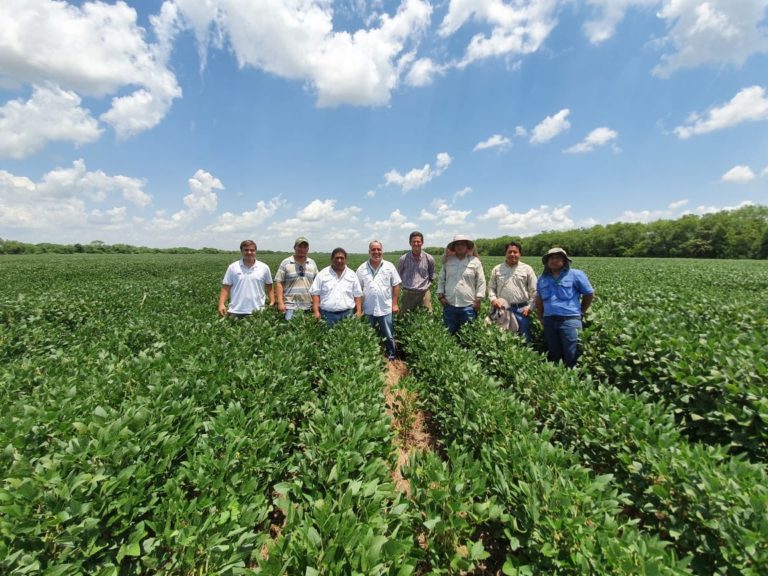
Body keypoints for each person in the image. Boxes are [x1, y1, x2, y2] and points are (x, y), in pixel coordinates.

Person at [535, 247, 594, 368]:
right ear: (547, 261)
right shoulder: (542, 278)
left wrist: (581, 311)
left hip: (570, 320)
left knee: (572, 354)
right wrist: (540, 316)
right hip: (549, 321)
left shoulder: (576, 275)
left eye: (558, 258)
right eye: (551, 258)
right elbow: (539, 298)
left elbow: (589, 293)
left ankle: (574, 379)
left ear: (565, 261)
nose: (554, 260)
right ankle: (559, 380)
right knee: (554, 353)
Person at [357, 240, 402, 360]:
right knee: (367, 333)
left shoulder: (389, 266)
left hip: (385, 307)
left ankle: (392, 355)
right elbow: (357, 290)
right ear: (369, 252)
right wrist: (359, 308)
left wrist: (395, 304)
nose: (376, 252)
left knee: (389, 334)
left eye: (378, 249)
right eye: (373, 250)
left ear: (382, 251)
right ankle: (368, 354)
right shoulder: (362, 268)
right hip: (368, 308)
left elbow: (396, 285)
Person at [488, 241, 537, 342]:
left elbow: (535, 291)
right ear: (505, 253)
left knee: (525, 338)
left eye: (515, 252)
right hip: (502, 310)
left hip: (522, 310)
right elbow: (491, 288)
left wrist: (530, 308)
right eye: (509, 252)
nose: (512, 254)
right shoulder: (497, 269)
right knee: (503, 340)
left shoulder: (527, 269)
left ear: (520, 254)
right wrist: (493, 299)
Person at [437, 235, 486, 335]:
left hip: (468, 305)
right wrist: (441, 296)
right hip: (450, 304)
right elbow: (441, 279)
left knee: (468, 335)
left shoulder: (475, 261)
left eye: (463, 244)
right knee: (449, 334)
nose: (460, 247)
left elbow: (481, 281)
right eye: (457, 245)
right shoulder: (448, 260)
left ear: (467, 247)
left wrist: (478, 300)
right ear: (454, 247)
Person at [218, 239, 274, 318]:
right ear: (241, 251)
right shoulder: (233, 267)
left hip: (258, 311)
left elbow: (269, 285)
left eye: (252, 250)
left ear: (255, 251)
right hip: (236, 310)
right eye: (246, 250)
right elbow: (226, 287)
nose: (249, 252)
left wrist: (272, 301)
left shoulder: (264, 267)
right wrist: (221, 304)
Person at [310, 247, 363, 327]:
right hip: (327, 315)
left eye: (342, 258)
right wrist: (316, 311)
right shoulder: (322, 274)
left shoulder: (352, 275)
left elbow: (357, 295)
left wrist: (359, 311)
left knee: (347, 338)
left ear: (345, 259)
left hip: (347, 314)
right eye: (337, 258)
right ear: (332, 259)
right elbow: (315, 294)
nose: (339, 260)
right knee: (328, 338)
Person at [274, 236, 318, 320]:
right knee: (291, 330)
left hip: (308, 306)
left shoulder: (312, 263)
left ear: (308, 249)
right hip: (290, 307)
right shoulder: (286, 262)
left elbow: (317, 284)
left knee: (308, 331)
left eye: (304, 247)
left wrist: (316, 305)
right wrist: (280, 302)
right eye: (300, 246)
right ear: (294, 247)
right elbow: (279, 282)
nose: (302, 249)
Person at [397, 231, 435, 312]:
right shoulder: (403, 259)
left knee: (427, 319)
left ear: (422, 243)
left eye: (418, 241)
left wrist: (426, 287)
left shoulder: (429, 258)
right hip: (408, 294)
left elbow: (432, 276)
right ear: (410, 243)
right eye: (414, 241)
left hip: (424, 294)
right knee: (404, 320)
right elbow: (398, 277)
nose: (416, 243)